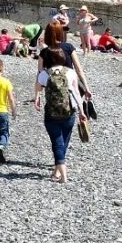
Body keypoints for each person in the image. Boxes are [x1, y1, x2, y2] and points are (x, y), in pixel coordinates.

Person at [34, 48, 85, 183]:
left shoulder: (44, 74)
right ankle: (59, 169)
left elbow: (38, 88)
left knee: (57, 141)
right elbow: (76, 93)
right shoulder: (71, 73)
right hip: (69, 111)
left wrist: (37, 98)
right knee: (64, 140)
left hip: (51, 113)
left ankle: (61, 173)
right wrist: (82, 111)